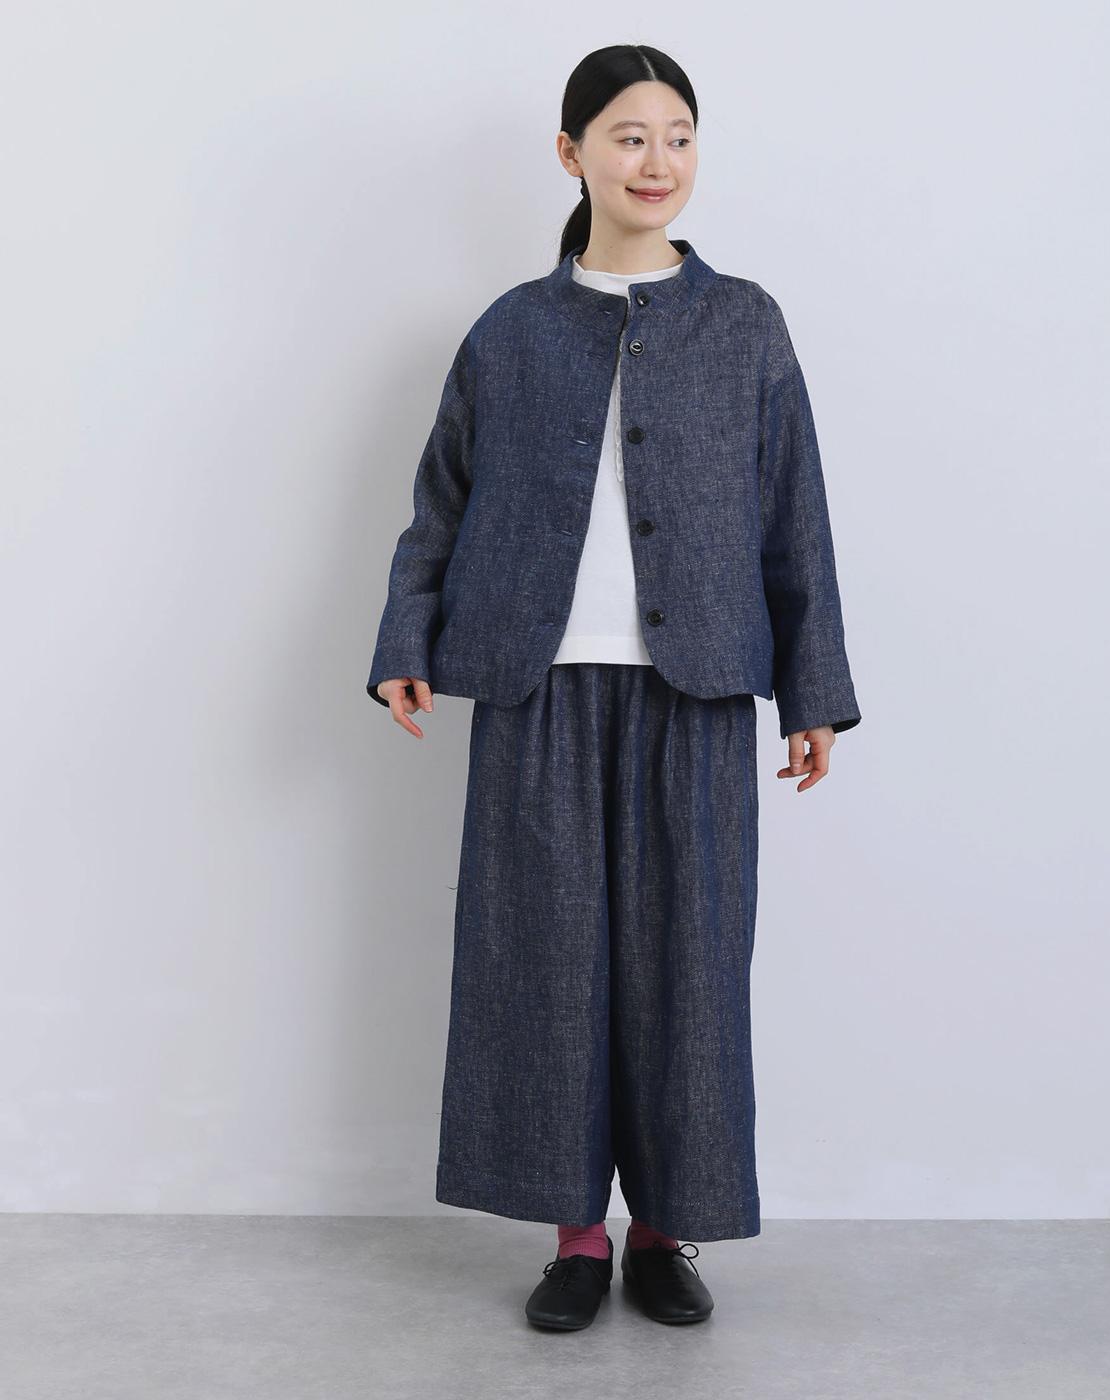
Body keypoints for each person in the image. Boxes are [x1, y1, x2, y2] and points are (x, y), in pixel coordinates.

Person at [364, 43, 862, 1331]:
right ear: (572, 151)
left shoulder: (744, 322)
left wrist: (811, 687)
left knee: (689, 970)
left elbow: (793, 512)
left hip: (698, 691)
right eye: (630, 136)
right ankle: (576, 1239)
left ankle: (665, 1234)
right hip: (534, 687)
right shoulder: (511, 330)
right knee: (543, 963)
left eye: (679, 137)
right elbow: (441, 502)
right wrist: (406, 636)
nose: (658, 162)